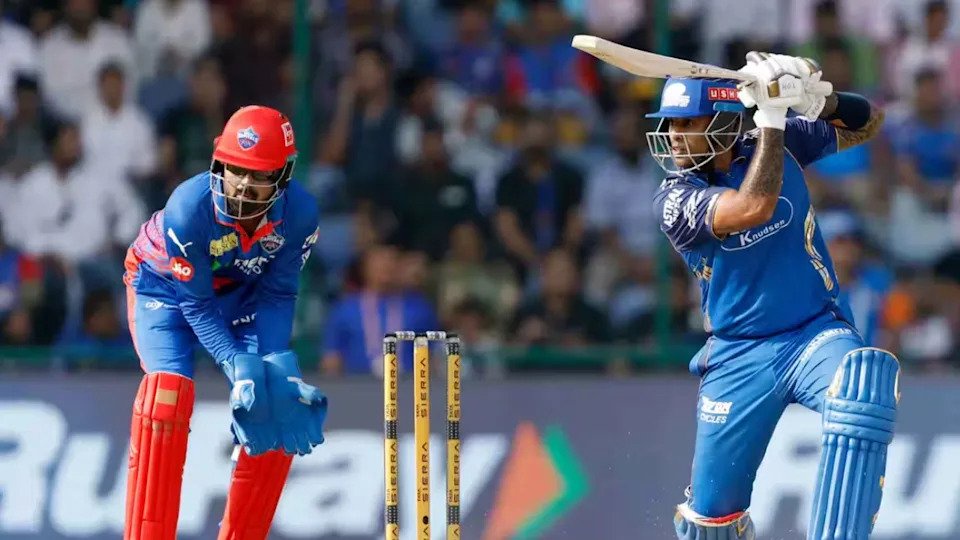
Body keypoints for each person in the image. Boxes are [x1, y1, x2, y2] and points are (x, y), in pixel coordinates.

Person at [648, 54, 898, 539]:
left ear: (723, 122)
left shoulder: (776, 142)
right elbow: (754, 207)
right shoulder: (674, 198)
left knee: (860, 390)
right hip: (738, 354)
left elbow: (868, 123)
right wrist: (772, 120)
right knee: (709, 523)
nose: (674, 135)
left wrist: (818, 100)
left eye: (687, 123)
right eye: (670, 123)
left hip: (814, 332)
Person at [121, 105, 327, 540]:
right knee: (165, 396)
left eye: (259, 175)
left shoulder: (300, 214)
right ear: (218, 162)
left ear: (283, 176)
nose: (244, 185)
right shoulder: (188, 208)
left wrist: (273, 365)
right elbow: (196, 306)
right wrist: (236, 365)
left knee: (275, 397)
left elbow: (278, 294)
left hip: (244, 295)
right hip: (164, 291)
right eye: (236, 170)